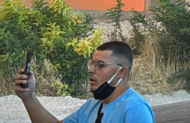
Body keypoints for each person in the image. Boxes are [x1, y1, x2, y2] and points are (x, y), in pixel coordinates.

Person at [14, 41, 155, 123]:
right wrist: (28, 97)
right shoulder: (92, 106)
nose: (91, 70)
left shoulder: (134, 108)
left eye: (101, 65)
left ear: (121, 72)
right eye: (92, 64)